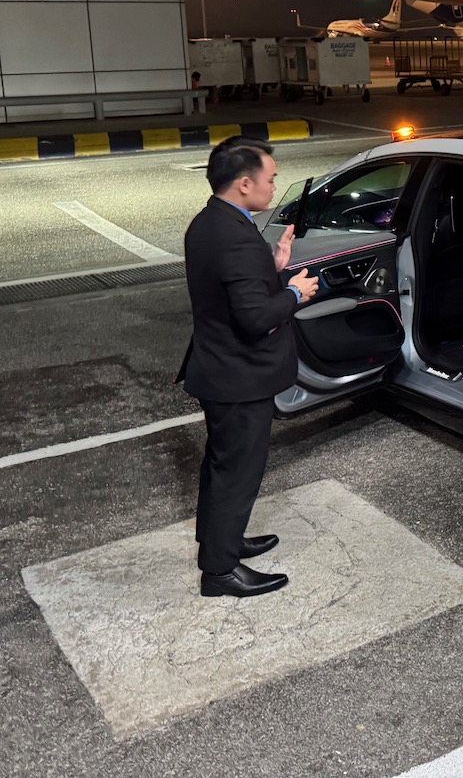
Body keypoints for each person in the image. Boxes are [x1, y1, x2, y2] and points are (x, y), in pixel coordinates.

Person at [177, 136, 319, 597]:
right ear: (243, 183)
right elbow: (256, 318)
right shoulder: (235, 236)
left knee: (223, 466)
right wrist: (295, 292)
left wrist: (274, 268)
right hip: (237, 377)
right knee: (236, 472)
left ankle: (223, 542)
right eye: (271, 177)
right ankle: (220, 573)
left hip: (218, 368)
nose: (274, 185)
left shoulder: (210, 222)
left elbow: (234, 293)